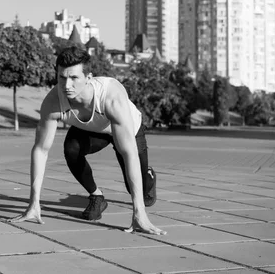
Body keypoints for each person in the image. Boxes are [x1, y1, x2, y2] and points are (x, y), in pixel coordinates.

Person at [9, 46, 165, 235]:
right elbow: (41, 150)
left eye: (74, 78)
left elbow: (128, 153)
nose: (67, 85)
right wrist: (33, 203)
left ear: (88, 78)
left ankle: (148, 175)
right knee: (71, 148)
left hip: (128, 130)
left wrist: (139, 214)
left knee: (140, 193)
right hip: (92, 130)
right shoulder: (53, 102)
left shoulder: (111, 96)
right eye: (62, 78)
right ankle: (96, 196)